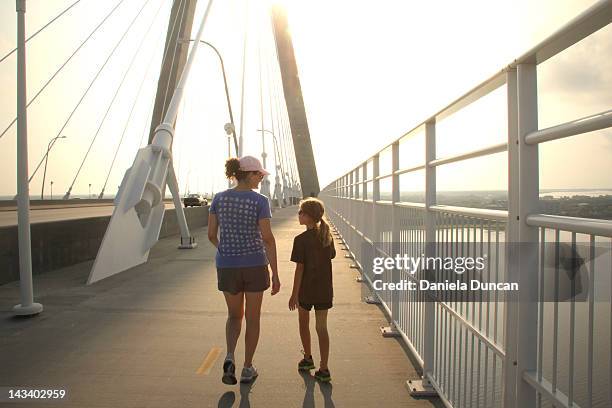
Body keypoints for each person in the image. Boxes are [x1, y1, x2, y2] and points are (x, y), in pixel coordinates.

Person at [207, 155, 281, 385]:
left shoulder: (219, 199)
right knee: (253, 317)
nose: (261, 178)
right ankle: (247, 367)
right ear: (249, 174)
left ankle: (230, 356)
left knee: (233, 315)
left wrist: (226, 250)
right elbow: (267, 239)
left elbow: (211, 235)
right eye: (259, 174)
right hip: (255, 265)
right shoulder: (260, 201)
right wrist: (276, 273)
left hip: (227, 265)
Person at [288, 197, 336, 382]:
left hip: (306, 290)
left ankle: (308, 357)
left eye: (301, 212)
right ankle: (324, 368)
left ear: (308, 217)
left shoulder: (300, 240)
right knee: (322, 327)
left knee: (303, 323)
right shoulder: (327, 236)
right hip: (324, 289)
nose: (298, 215)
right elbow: (330, 256)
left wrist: (294, 295)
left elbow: (300, 269)